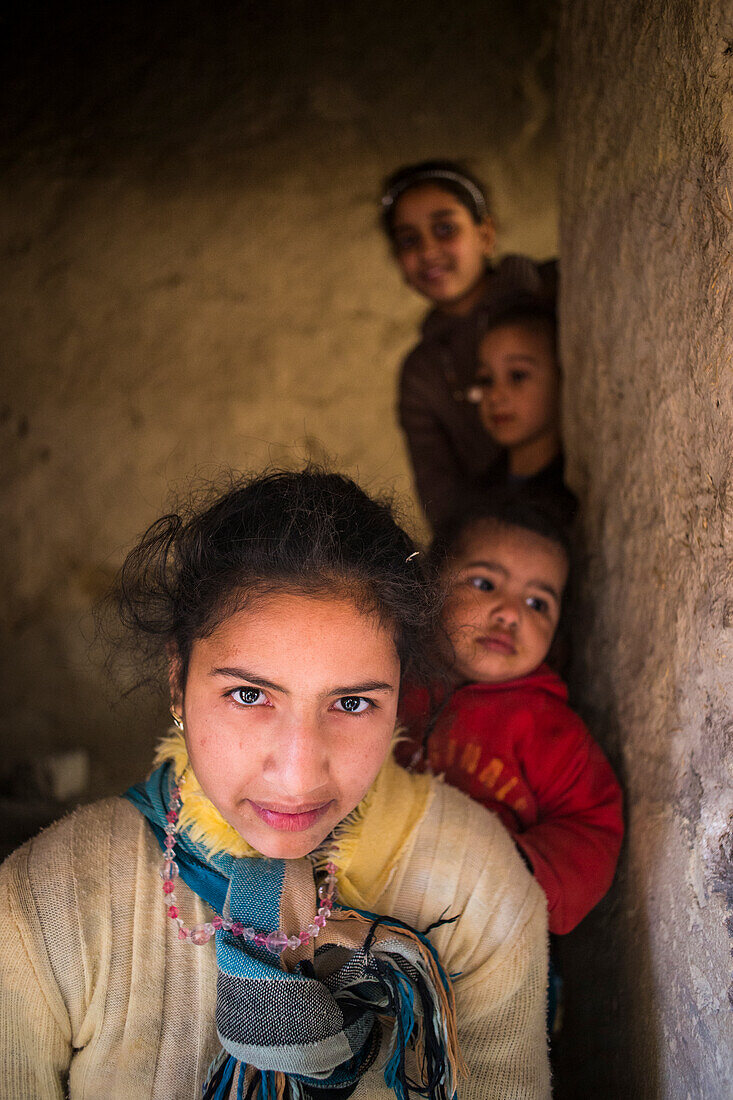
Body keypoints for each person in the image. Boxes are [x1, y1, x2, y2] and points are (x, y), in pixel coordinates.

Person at [0, 468, 550, 1098]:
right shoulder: (47, 905)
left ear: (401, 698)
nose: (297, 772)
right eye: (249, 693)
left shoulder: (481, 887)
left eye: (351, 704)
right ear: (178, 682)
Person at [396, 497, 623, 936]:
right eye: (484, 583)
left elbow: (593, 829)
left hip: (482, 932)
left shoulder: (551, 729)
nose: (511, 613)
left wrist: (514, 872)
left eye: (538, 603)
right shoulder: (388, 680)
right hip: (357, 907)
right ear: (431, 585)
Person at [381, 159, 555, 529]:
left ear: (486, 234)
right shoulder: (422, 372)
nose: (428, 251)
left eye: (445, 228)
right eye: (409, 239)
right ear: (398, 259)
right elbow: (441, 499)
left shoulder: (553, 296)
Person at [467, 300, 577, 529]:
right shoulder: (478, 493)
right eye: (486, 379)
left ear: (561, 376)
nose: (495, 396)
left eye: (517, 376)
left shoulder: (571, 495)